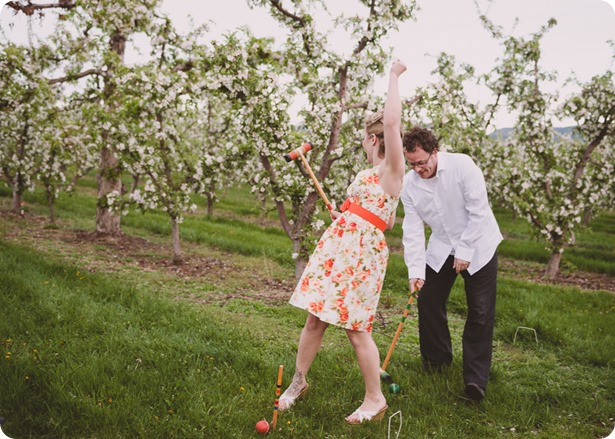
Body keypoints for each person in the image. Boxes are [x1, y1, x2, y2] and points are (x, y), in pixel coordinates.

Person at [278, 60, 407, 424]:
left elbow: (393, 122)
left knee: (356, 328)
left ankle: (375, 398)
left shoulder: (391, 170)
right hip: (340, 246)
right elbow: (382, 217)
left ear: (371, 140)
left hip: (362, 256)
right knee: (315, 319)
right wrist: (347, 216)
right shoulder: (367, 175)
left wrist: (393, 77)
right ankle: (298, 382)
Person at [400, 126, 503, 401]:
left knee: (480, 312)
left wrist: (466, 249)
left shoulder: (462, 166)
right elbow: (412, 228)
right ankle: (437, 363)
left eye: (422, 162)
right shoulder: (410, 184)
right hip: (443, 245)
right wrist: (414, 271)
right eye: (412, 164)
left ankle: (475, 382)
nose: (418, 169)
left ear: (435, 152)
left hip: (478, 243)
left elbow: (479, 211)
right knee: (428, 299)